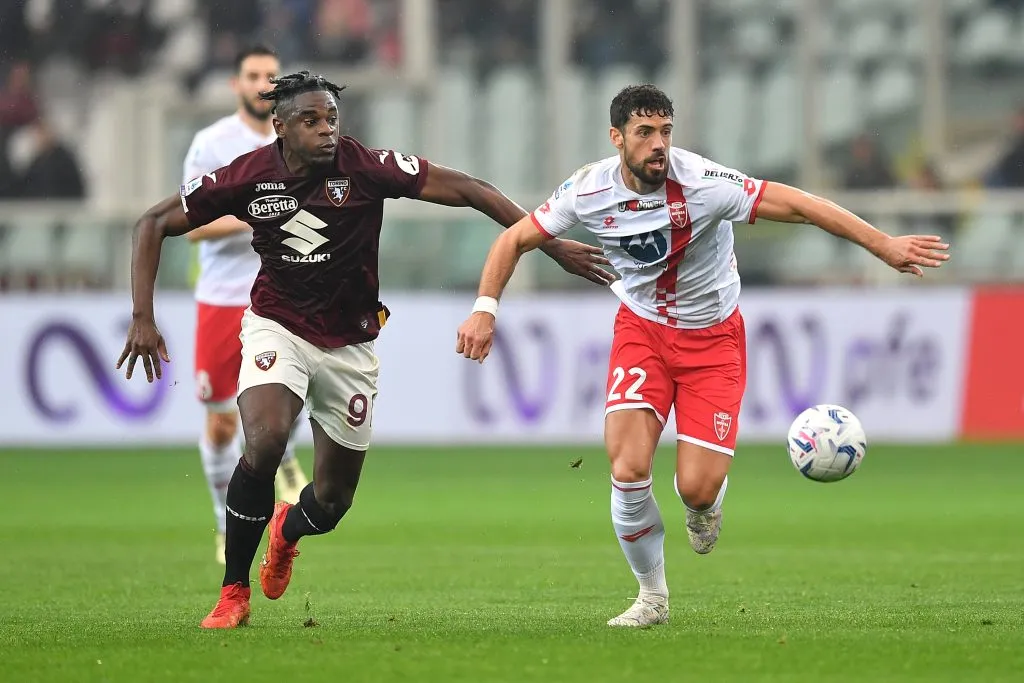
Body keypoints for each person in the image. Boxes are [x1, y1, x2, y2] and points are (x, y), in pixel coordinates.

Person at [116, 71, 613, 629]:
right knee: (266, 440)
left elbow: (471, 190)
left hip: (351, 344)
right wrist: (142, 317)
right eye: (311, 121)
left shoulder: (367, 167)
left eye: (331, 119)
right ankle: (233, 591)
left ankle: (286, 531)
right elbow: (153, 221)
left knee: (330, 502)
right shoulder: (248, 176)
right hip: (277, 326)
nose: (327, 131)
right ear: (279, 127)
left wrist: (548, 242)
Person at [455, 84, 949, 628]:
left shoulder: (704, 184)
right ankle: (651, 597)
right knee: (628, 468)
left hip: (713, 342)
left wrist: (883, 245)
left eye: (666, 131)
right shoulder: (586, 190)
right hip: (641, 331)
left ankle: (704, 503)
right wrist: (485, 308)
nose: (658, 144)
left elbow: (800, 204)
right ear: (616, 137)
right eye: (645, 133)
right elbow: (514, 240)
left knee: (695, 486)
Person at [182, 45, 310, 566]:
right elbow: (191, 224)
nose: (262, 83)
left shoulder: (299, 141)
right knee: (220, 425)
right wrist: (257, 216)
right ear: (237, 83)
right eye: (253, 75)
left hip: (282, 293)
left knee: (296, 392)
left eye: (270, 75)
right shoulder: (212, 144)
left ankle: (285, 455)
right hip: (221, 297)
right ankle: (221, 522)